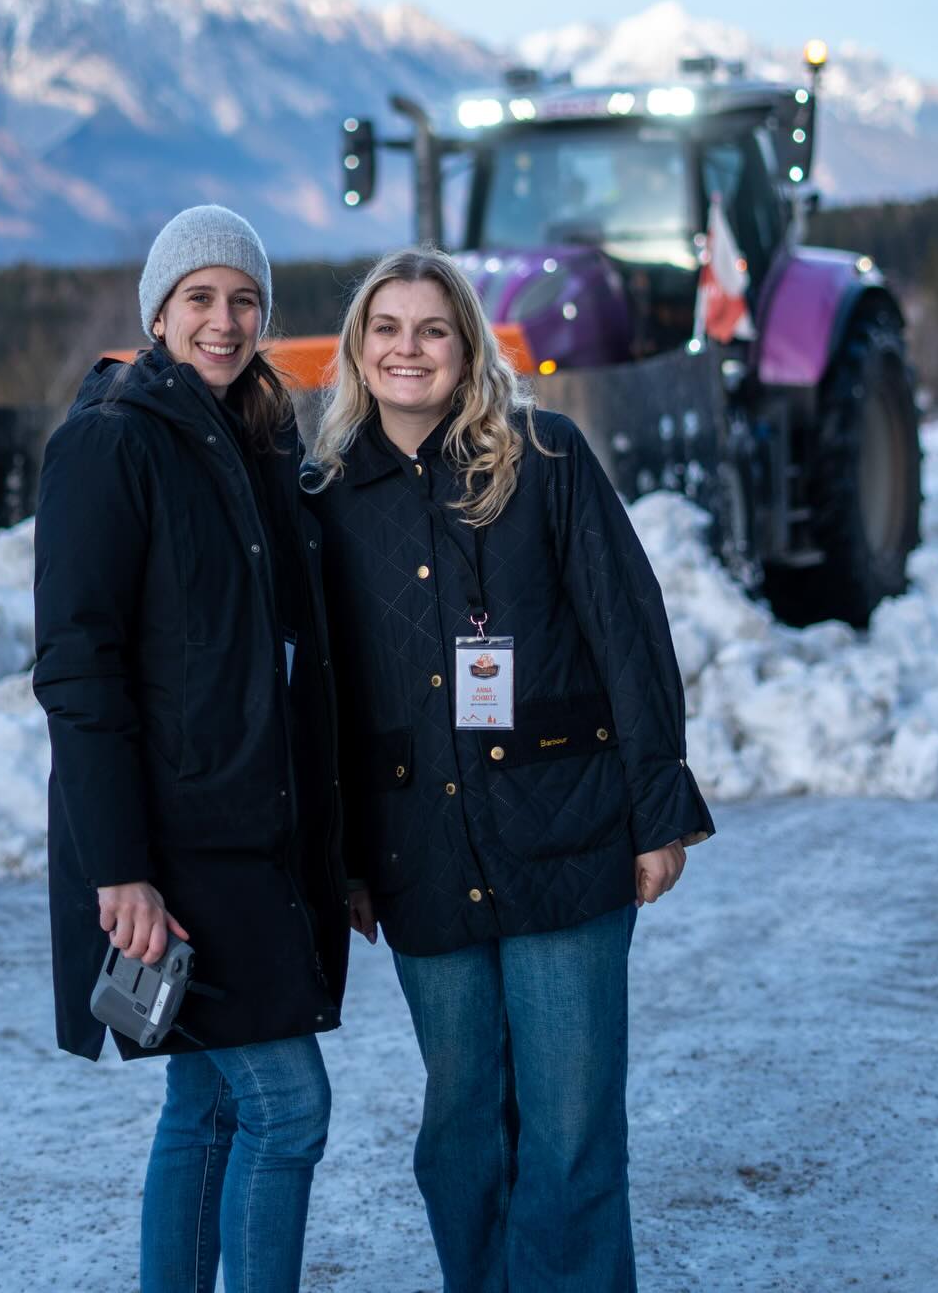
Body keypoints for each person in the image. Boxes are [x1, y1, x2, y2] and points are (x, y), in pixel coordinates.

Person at [308, 247, 713, 1293]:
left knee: (571, 1126)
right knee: (460, 1126)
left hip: (567, 834)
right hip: (420, 854)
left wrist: (658, 808)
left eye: (432, 327)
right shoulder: (328, 495)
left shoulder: (549, 457)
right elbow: (332, 699)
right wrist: (347, 855)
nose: (409, 347)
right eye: (387, 327)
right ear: (359, 348)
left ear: (467, 344)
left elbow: (629, 632)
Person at [33, 205, 348, 1293]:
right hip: (178, 846)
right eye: (201, 298)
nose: (225, 319)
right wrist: (117, 864)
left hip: (254, 830)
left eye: (244, 298)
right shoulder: (112, 440)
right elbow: (78, 667)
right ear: (159, 312)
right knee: (287, 1104)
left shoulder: (254, 438)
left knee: (210, 1100)